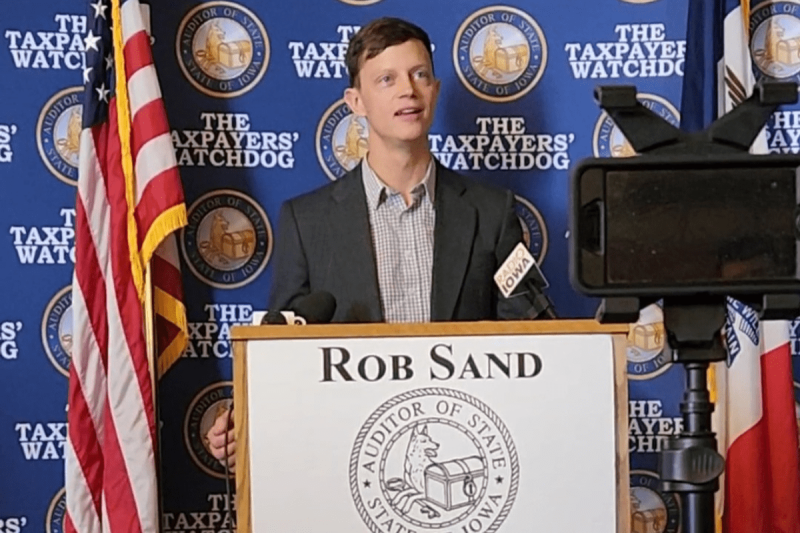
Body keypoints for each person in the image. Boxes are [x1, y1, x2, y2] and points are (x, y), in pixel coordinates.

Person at [206, 16, 535, 471]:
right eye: (387, 79)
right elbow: (280, 357)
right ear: (355, 102)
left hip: (465, 453)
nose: (408, 90)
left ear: (435, 90)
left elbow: (535, 348)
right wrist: (243, 418)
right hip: (348, 463)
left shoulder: (492, 212)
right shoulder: (307, 220)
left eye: (419, 75)